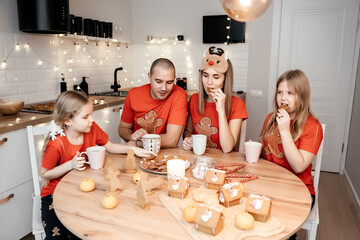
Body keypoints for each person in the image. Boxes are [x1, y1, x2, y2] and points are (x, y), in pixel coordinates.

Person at [40, 91, 154, 239]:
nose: (92, 120)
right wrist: (70, 165)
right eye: (85, 117)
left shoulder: (91, 129)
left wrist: (133, 149)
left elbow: (111, 147)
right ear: (68, 120)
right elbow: (44, 173)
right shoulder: (57, 144)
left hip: (81, 190)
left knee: (88, 230)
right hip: (53, 196)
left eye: (91, 114)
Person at [260, 69, 323, 208]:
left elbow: (299, 166)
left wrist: (284, 130)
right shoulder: (270, 119)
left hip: (300, 188)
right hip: (270, 182)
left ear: (302, 96)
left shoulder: (313, 126)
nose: (283, 98)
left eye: (290, 93)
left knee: (275, 214)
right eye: (280, 92)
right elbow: (265, 154)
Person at [182, 46, 247, 153]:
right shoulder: (194, 99)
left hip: (224, 163)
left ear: (225, 79)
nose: (209, 82)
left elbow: (227, 148)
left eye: (216, 77)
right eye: (205, 75)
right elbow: (188, 132)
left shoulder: (237, 104)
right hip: (199, 160)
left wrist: (221, 112)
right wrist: (188, 140)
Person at [118, 58, 188, 148]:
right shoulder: (133, 94)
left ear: (174, 79)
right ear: (149, 76)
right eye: (158, 82)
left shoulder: (179, 95)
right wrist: (132, 136)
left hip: (164, 153)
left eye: (169, 82)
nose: (164, 88)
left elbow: (172, 140)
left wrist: (138, 143)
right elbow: (122, 129)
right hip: (138, 153)